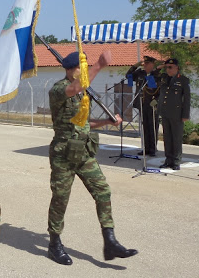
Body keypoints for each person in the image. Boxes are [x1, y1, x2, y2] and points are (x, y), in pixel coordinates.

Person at [47, 51, 138, 266]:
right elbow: (76, 87)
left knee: (102, 191)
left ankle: (110, 240)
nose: (85, 70)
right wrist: (99, 64)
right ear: (71, 69)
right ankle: (54, 243)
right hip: (64, 153)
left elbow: (84, 122)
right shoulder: (60, 89)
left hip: (83, 151)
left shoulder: (80, 92)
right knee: (61, 198)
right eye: (82, 67)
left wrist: (107, 121)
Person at [157, 58, 190, 170]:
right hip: (165, 112)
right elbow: (152, 77)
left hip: (177, 113)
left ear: (177, 67)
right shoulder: (164, 78)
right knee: (167, 138)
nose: (168, 69)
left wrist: (185, 115)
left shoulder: (183, 80)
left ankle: (176, 161)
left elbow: (186, 99)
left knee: (176, 138)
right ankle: (168, 160)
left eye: (170, 67)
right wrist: (159, 68)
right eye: (167, 67)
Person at [126, 55, 162, 156]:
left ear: (152, 64)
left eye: (147, 63)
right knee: (145, 127)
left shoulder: (156, 75)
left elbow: (156, 91)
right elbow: (128, 77)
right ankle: (146, 148)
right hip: (142, 104)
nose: (145, 65)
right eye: (144, 63)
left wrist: (155, 103)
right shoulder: (139, 73)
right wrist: (135, 65)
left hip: (152, 105)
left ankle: (153, 149)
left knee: (153, 127)